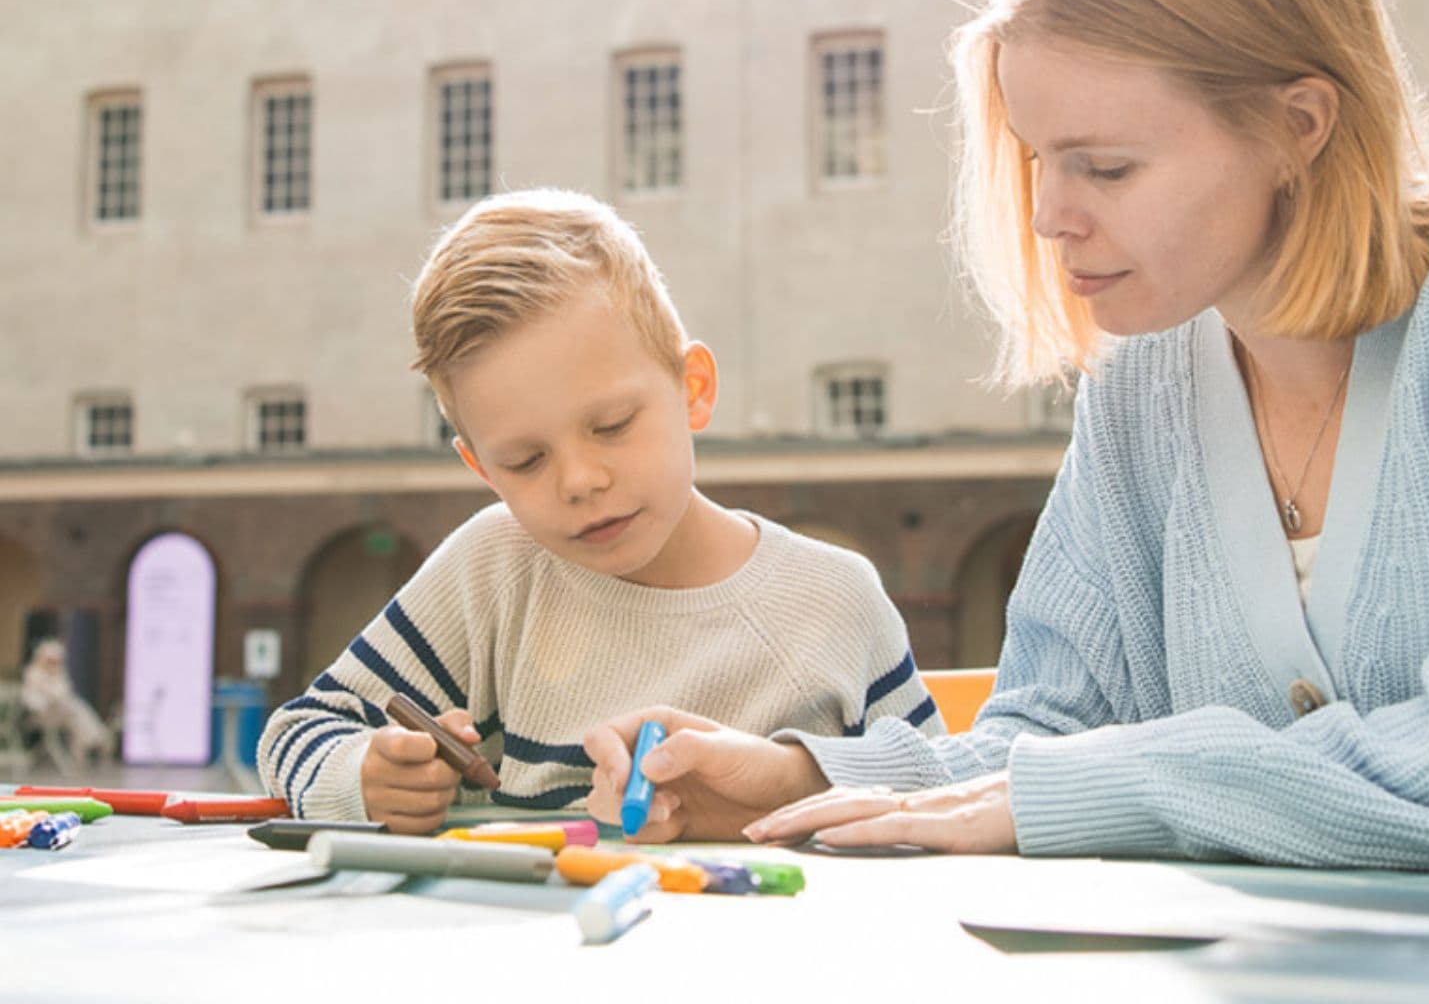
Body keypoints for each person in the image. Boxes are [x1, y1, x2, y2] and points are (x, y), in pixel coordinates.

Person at [583, 0, 1429, 868]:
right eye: (1036, 159)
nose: (1048, 217)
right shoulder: (1144, 372)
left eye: (1105, 168)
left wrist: (1107, 788)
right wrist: (805, 780)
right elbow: (1047, 741)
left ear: (1298, 123)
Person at [258, 189, 940, 830]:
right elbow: (299, 732)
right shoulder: (493, 568)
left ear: (692, 388)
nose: (579, 481)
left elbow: (945, 790)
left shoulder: (834, 599)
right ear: (483, 471)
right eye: (525, 462)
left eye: (612, 424)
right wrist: (363, 777)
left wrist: (805, 781)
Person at [20, 637, 112, 767]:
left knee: (78, 709)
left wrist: (55, 691)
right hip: (41, 716)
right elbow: (30, 700)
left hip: (62, 714)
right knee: (76, 710)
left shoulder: (59, 675)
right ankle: (97, 737)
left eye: (56, 661)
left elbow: (64, 694)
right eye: (50, 661)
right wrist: (50, 699)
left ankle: (90, 742)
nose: (53, 664)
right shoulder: (33, 674)